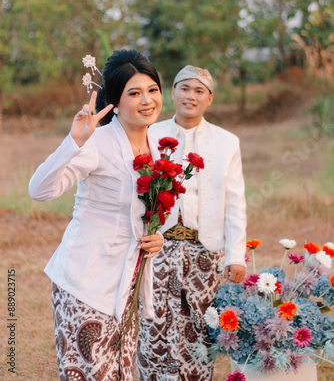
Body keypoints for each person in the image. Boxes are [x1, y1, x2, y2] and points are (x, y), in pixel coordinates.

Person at [29, 49, 164, 381]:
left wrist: (157, 236)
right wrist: (74, 142)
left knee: (120, 372)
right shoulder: (98, 142)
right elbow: (39, 190)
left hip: (128, 283)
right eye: (134, 93)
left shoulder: (159, 144)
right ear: (115, 102)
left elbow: (152, 208)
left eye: (152, 90)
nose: (146, 100)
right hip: (86, 281)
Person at [137, 65, 247, 381]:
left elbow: (236, 201)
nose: (191, 96)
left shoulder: (227, 142)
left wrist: (235, 255)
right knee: (154, 321)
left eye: (199, 91)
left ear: (209, 99)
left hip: (205, 249)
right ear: (172, 93)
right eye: (184, 88)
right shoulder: (150, 134)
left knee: (199, 324)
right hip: (157, 246)